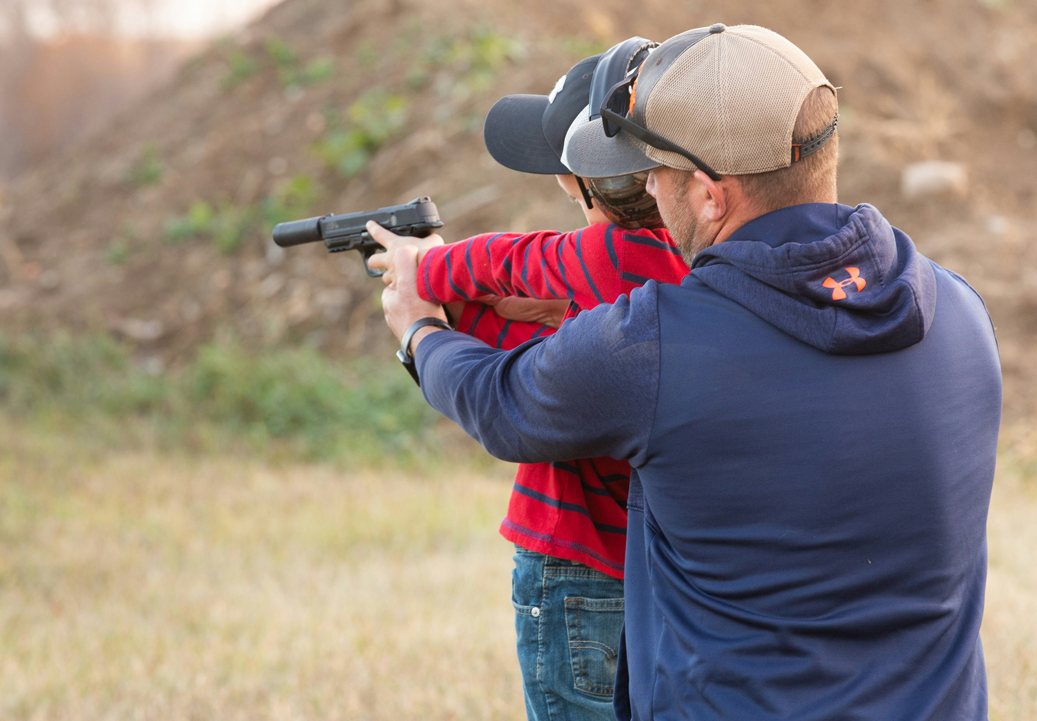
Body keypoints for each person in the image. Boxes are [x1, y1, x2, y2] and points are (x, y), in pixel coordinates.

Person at [376, 23, 1002, 721]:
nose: (644, 186)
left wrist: (420, 329)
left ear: (709, 194)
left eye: (653, 170)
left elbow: (500, 402)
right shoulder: (959, 312)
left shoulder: (655, 342)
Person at [369, 38, 689, 721]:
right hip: (655, 577)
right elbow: (552, 353)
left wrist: (424, 273)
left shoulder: (593, 251)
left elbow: (505, 264)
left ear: (584, 180)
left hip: (569, 563)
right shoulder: (685, 267)